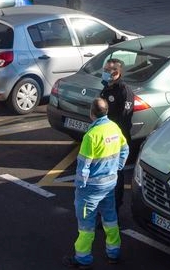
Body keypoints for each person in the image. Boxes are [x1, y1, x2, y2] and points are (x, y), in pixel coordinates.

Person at [64, 98, 129, 269]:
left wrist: (80, 187)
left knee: (86, 226)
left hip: (91, 189)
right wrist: (118, 167)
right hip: (109, 184)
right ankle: (113, 253)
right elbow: (125, 149)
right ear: (106, 111)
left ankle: (83, 258)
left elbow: (83, 166)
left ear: (91, 113)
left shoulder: (91, 136)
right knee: (110, 219)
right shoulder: (114, 128)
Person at [99, 58, 134, 209]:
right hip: (104, 138)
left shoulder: (124, 91)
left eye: (109, 71)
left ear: (118, 73)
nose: (106, 73)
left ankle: (115, 209)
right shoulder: (106, 88)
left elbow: (124, 118)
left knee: (115, 176)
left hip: (116, 140)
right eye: (105, 70)